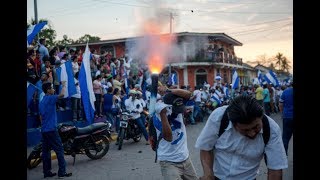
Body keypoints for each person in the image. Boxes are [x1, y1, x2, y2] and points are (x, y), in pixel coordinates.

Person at [195, 95, 287, 180]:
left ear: (261, 116)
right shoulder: (219, 117)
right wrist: (208, 174)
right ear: (233, 124)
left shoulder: (271, 129)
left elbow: (275, 168)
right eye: (245, 130)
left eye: (256, 127)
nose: (252, 133)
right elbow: (205, 147)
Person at [152, 85, 198, 180]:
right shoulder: (158, 115)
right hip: (168, 162)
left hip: (185, 158)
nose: (179, 112)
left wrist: (169, 90)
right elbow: (168, 137)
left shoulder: (177, 103)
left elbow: (188, 94)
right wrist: (163, 114)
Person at [39, 81, 72, 178]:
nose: (53, 89)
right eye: (52, 88)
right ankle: (62, 172)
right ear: (48, 90)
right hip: (51, 130)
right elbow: (62, 94)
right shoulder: (50, 98)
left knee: (46, 152)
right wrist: (64, 85)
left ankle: (47, 172)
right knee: (60, 150)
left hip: (44, 130)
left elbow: (40, 117)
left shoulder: (41, 101)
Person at [279, 82, 293, 155]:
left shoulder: (285, 91)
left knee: (285, 138)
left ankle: (284, 155)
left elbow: (281, 104)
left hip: (287, 117)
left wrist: (282, 114)